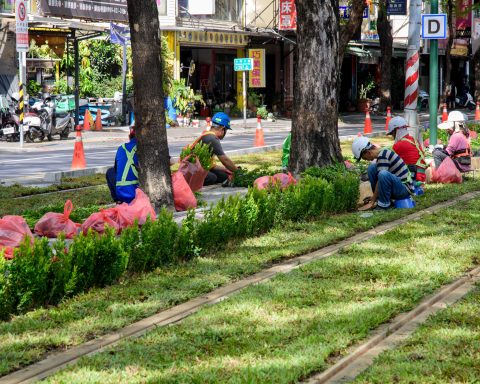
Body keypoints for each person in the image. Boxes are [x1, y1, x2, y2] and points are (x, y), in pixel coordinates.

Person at [352, 136, 414, 211]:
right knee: (372, 168)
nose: (366, 160)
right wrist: (374, 197)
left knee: (383, 174)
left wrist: (372, 202)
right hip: (398, 186)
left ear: (368, 152)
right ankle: (380, 199)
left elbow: (380, 180)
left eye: (364, 158)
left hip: (404, 190)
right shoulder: (382, 153)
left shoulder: (383, 156)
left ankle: (383, 205)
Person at [189, 112, 239, 185]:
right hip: (191, 170)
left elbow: (210, 166)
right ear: (222, 129)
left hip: (198, 168)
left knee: (224, 176)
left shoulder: (208, 136)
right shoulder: (212, 138)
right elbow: (225, 160)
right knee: (212, 178)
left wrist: (227, 169)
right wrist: (238, 172)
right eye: (226, 130)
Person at [387, 116, 427, 186]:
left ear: (396, 130)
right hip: (421, 176)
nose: (392, 136)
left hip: (412, 179)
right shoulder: (413, 140)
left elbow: (387, 159)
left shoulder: (399, 145)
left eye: (392, 133)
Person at [106, 125, 138, 203]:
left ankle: (118, 202)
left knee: (110, 172)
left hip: (121, 193)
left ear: (129, 137)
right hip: (138, 192)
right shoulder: (145, 148)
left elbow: (116, 169)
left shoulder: (121, 148)